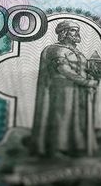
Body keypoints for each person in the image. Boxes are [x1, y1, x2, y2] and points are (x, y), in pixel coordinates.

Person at [31, 21, 97, 158]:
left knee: (77, 117)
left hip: (78, 90)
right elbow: (63, 69)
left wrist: (90, 78)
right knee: (62, 116)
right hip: (61, 89)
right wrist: (85, 81)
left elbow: (84, 69)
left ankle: (75, 147)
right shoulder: (55, 49)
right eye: (73, 30)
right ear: (63, 32)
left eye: (76, 30)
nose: (76, 33)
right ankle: (56, 149)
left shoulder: (77, 51)